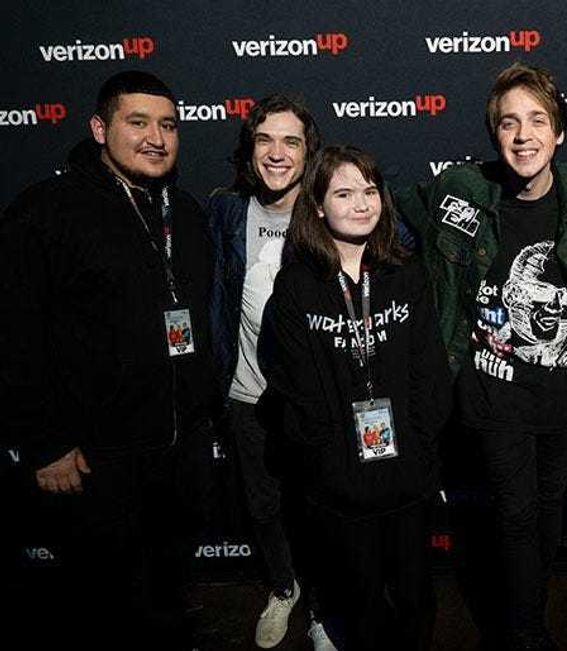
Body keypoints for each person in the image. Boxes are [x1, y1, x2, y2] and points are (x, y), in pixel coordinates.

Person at [396, 62, 567, 650]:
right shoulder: (461, 189)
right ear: (494, 134)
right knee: (514, 513)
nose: (523, 135)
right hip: (492, 392)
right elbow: (375, 206)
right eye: (509, 123)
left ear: (559, 133)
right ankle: (525, 631)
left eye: (538, 121)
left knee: (549, 511)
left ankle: (526, 614)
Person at [0, 70, 215, 650]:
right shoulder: (49, 210)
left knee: (169, 592)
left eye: (168, 125)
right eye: (137, 122)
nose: (156, 138)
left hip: (177, 454)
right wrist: (45, 441)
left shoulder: (187, 213)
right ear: (100, 128)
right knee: (103, 604)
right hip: (95, 460)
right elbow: (15, 332)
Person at [260, 145, 451, 650]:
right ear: (317, 206)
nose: (363, 203)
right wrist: (330, 467)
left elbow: (429, 373)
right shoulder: (297, 286)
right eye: (344, 193)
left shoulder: (406, 274)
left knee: (415, 601)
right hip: (340, 488)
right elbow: (296, 391)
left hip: (406, 478)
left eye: (370, 191)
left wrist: (420, 453)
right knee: (359, 603)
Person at [206, 94, 330, 649]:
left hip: (316, 403)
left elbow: (396, 248)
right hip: (245, 395)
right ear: (250, 150)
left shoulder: (331, 211)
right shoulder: (228, 212)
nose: (277, 153)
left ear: (309, 152)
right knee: (263, 506)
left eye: (291, 141)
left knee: (321, 508)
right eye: (264, 140)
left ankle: (325, 609)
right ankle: (284, 588)